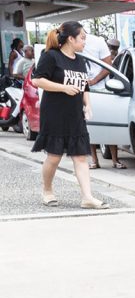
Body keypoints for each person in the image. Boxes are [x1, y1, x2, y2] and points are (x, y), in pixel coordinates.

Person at [30, 21, 109, 209]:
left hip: (75, 115)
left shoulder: (80, 60)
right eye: (82, 38)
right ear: (71, 38)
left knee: (81, 156)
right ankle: (47, 191)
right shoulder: (51, 56)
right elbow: (37, 80)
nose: (84, 42)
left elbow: (85, 85)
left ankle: (87, 197)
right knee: (54, 156)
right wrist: (63, 88)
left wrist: (87, 105)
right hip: (55, 113)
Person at [88, 39, 126, 169]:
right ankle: (94, 160)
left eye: (115, 48)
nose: (112, 50)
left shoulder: (113, 58)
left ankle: (115, 160)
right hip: (89, 93)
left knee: (109, 126)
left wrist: (94, 81)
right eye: (111, 47)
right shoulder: (86, 54)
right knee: (90, 126)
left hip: (105, 91)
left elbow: (108, 70)